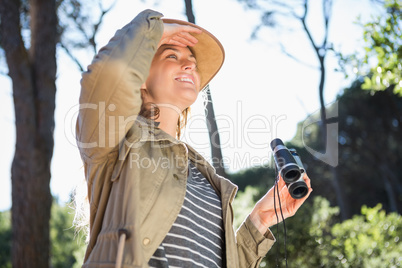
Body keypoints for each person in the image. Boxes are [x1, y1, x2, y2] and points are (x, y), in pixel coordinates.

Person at [75, 9, 312, 268]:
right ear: (140, 75)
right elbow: (105, 79)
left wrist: (260, 220)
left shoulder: (204, 176)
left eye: (193, 62)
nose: (189, 64)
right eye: (172, 55)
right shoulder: (117, 141)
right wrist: (151, 31)